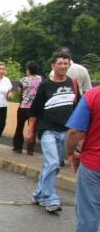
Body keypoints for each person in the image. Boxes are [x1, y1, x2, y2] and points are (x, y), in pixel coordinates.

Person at [27, 51, 79, 214]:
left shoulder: (74, 84)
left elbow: (79, 109)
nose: (63, 66)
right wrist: (30, 130)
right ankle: (51, 199)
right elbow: (35, 109)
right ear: (53, 66)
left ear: (69, 65)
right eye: (59, 63)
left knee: (51, 165)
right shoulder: (45, 85)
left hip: (67, 131)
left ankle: (38, 194)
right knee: (53, 162)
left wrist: (80, 132)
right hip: (47, 130)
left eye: (66, 63)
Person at [57, 84, 100, 232]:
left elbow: (74, 132)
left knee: (89, 212)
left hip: (94, 164)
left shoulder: (94, 95)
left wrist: (70, 154)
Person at [13, 61, 42, 154]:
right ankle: (30, 149)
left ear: (28, 70)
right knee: (32, 128)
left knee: (20, 127)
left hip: (23, 107)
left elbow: (19, 92)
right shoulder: (40, 79)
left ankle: (18, 147)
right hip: (35, 108)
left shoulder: (23, 80)